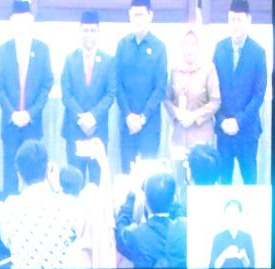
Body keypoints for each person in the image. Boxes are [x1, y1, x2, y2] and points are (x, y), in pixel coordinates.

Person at [0, 1, 54, 198]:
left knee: (33, 172)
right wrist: (12, 113)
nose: (22, 26)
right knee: (10, 171)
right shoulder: (4, 49)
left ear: (32, 21)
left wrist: (30, 113)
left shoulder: (42, 49)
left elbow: (47, 84)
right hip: (10, 124)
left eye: (26, 21)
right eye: (18, 21)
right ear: (12, 21)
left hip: (32, 123)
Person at [0, 140, 81, 269]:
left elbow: (7, 242)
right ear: (47, 170)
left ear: (19, 173)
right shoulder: (69, 206)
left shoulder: (10, 206)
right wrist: (57, 189)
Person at [213, 0, 268, 185]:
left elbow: (259, 94)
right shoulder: (219, 48)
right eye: (232, 19)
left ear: (248, 20)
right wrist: (222, 120)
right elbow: (213, 90)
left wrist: (239, 121)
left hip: (247, 130)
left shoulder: (258, 52)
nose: (235, 24)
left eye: (239, 20)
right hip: (223, 130)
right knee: (224, 182)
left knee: (250, 182)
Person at [60, 10, 115, 186]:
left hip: (97, 131)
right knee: (75, 183)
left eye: (92, 31)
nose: (89, 35)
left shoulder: (108, 61)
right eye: (85, 30)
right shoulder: (70, 59)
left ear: (98, 32)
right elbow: (66, 94)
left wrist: (92, 117)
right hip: (74, 130)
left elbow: (110, 94)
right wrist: (82, 118)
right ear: (79, 31)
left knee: (97, 183)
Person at [113, 0, 167, 176]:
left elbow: (160, 87)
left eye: (141, 15)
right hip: (127, 123)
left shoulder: (159, 47)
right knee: (127, 174)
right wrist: (128, 115)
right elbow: (117, 83)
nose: (137, 19)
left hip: (149, 124)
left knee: (148, 177)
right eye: (134, 15)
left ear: (150, 16)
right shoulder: (122, 45)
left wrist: (142, 117)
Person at [115, 171, 186, 269]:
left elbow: (120, 229)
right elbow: (179, 212)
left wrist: (131, 197)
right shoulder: (185, 229)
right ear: (174, 200)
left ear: (145, 201)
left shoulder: (134, 235)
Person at [168, 29, 219, 159]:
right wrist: (176, 112)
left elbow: (215, 101)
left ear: (198, 47)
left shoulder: (208, 69)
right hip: (179, 135)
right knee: (178, 170)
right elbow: (167, 98)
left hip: (201, 136)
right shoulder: (175, 69)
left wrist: (194, 116)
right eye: (186, 44)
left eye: (193, 44)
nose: (189, 49)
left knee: (200, 170)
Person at [210, 198, 256, 269]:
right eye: (229, 214)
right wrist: (224, 254)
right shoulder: (218, 238)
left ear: (240, 215)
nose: (231, 217)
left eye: (234, 213)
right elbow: (212, 267)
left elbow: (252, 268)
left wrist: (244, 257)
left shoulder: (247, 237)